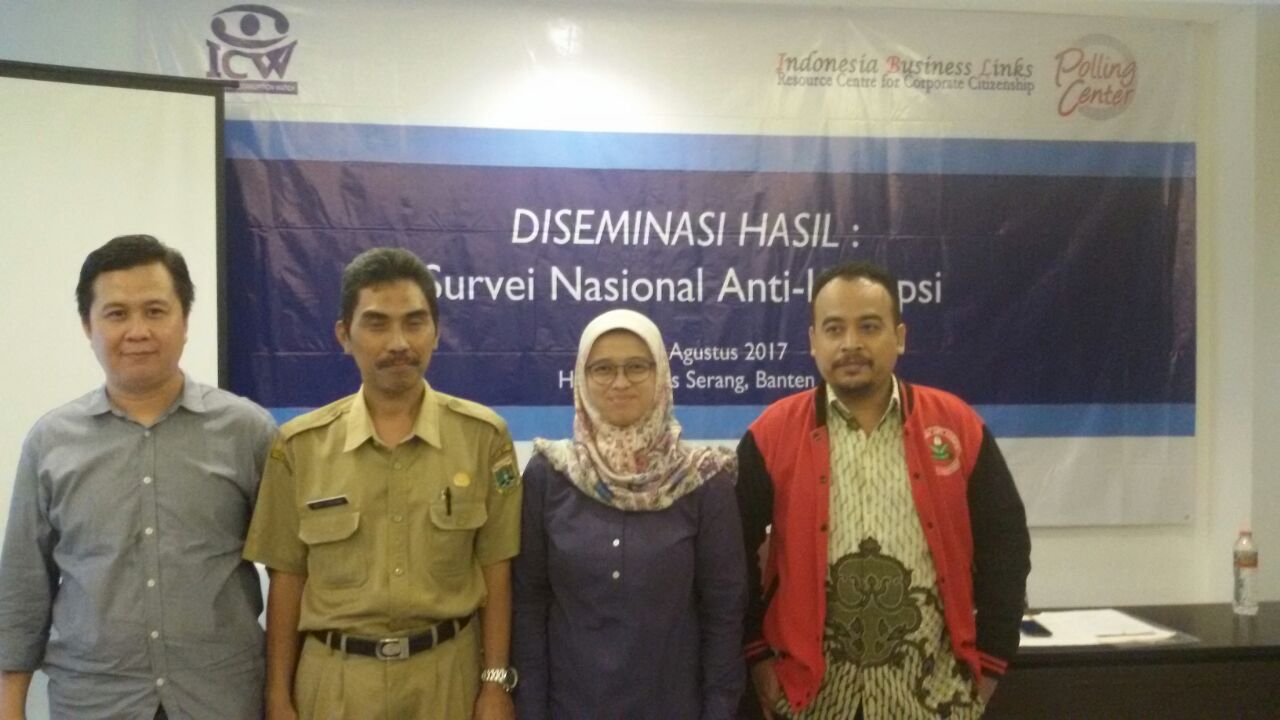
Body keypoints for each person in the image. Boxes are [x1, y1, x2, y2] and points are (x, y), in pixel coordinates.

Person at [736, 262, 1031, 719]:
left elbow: (1006, 543)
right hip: (811, 699)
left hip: (933, 696)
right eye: (834, 328)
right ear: (813, 341)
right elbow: (731, 554)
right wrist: (756, 654)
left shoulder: (955, 424)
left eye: (869, 326)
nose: (851, 343)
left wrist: (992, 659)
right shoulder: (771, 433)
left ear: (900, 336)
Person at [0, 235, 277, 720]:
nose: (137, 331)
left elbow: (289, 574)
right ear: (87, 325)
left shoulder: (247, 431)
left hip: (221, 698)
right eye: (116, 314)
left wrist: (283, 697)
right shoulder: (51, 441)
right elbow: (24, 585)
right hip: (94, 701)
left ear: (184, 321)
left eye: (155, 311)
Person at [243, 247, 522, 720]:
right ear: (344, 335)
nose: (398, 342)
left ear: (436, 331)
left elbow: (496, 571)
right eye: (376, 324)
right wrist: (278, 695)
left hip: (447, 679)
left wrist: (495, 684)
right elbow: (287, 580)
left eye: (415, 322)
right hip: (335, 685)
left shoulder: (484, 438)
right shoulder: (300, 447)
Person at [512, 308, 746, 720]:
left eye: (637, 366)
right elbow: (529, 604)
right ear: (581, 379)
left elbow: (724, 612)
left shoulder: (703, 479)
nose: (620, 382)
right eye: (602, 368)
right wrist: (530, 708)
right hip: (570, 707)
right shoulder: (549, 474)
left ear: (661, 375)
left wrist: (720, 710)